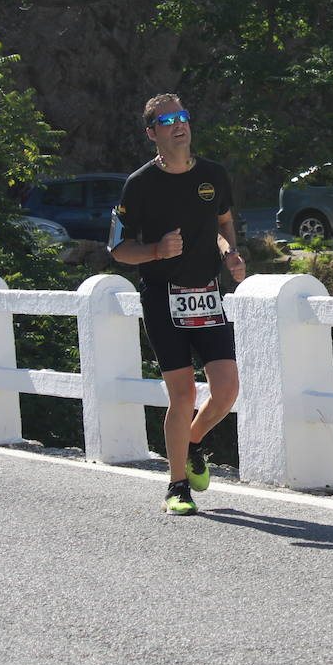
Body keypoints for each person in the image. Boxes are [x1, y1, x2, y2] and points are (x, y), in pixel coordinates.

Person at [109, 94, 246, 515]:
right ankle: (177, 486)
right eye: (167, 121)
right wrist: (155, 251)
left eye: (182, 117)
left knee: (227, 390)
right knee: (182, 394)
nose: (179, 125)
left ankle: (193, 441)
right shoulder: (140, 184)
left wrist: (230, 252)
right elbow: (117, 248)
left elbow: (223, 222)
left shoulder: (213, 174)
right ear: (152, 133)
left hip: (206, 294)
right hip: (162, 298)